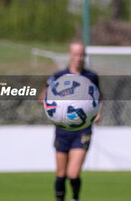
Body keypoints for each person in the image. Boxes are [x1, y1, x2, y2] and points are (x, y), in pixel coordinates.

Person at [40, 42, 103, 201]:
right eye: (75, 54)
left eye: (81, 54)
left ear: (84, 56)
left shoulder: (91, 77)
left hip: (83, 130)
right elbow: (42, 98)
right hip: (62, 130)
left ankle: (75, 198)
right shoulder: (58, 76)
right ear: (69, 55)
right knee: (61, 174)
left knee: (73, 174)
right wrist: (54, 105)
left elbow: (98, 98)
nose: (78, 58)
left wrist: (97, 113)